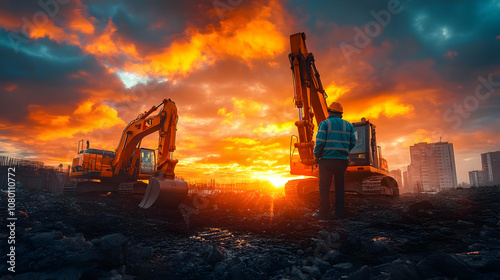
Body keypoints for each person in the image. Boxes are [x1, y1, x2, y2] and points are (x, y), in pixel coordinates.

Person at [312, 102, 356, 219]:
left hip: (326, 160)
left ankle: (323, 212)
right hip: (341, 161)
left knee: (324, 186)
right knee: (340, 187)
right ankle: (339, 213)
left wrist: (317, 155)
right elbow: (353, 142)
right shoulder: (348, 125)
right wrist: (344, 151)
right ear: (341, 114)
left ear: (329, 111)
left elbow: (320, 142)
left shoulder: (325, 124)